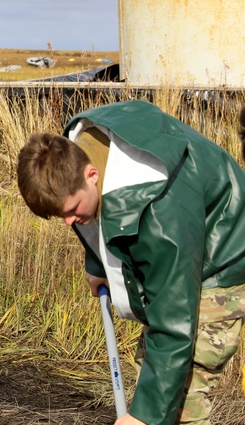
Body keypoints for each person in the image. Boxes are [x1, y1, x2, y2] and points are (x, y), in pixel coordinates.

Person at [16, 99, 245, 425]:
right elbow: (93, 213)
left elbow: (174, 325)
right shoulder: (77, 150)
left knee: (183, 398)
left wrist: (145, 417)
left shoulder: (159, 214)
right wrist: (97, 264)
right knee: (151, 374)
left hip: (223, 253)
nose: (68, 222)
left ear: (91, 174)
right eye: (59, 216)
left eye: (71, 210)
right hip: (184, 236)